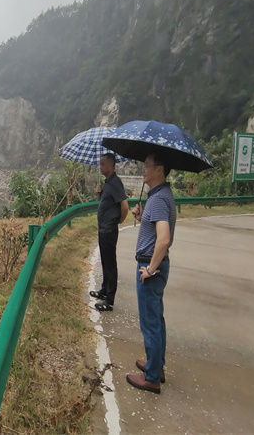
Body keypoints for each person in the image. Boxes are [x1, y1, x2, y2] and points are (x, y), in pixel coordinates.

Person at [126, 153, 176, 394]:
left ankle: (152, 377)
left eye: (147, 166)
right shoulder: (160, 196)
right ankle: (157, 365)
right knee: (157, 319)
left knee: (150, 324)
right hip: (154, 265)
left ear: (160, 169)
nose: (143, 169)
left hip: (149, 267)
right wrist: (140, 216)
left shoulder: (158, 200)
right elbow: (155, 230)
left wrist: (150, 269)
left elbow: (163, 239)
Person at [89, 153, 129, 311]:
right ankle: (104, 290)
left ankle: (109, 300)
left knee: (110, 264)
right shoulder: (108, 183)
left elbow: (124, 206)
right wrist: (99, 195)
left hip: (109, 229)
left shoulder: (115, 182)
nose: (101, 167)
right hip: (103, 229)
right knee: (105, 261)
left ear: (111, 165)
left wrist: (118, 221)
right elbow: (107, 203)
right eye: (100, 164)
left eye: (103, 164)